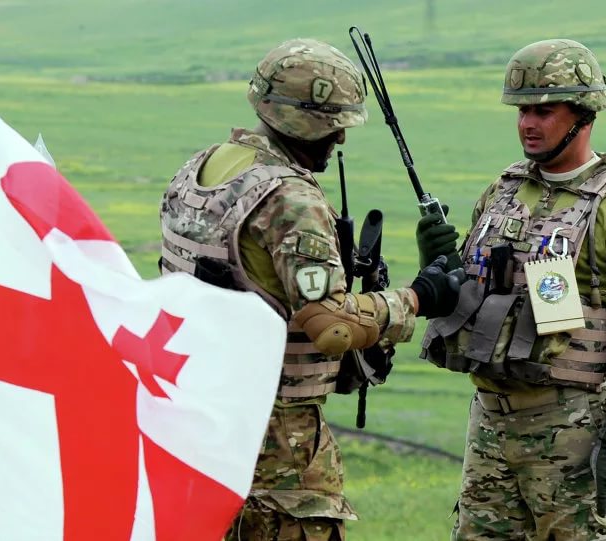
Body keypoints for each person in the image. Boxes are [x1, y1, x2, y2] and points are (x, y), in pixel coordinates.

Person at [159, 38, 461, 541]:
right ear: (302, 121)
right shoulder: (290, 198)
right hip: (277, 438)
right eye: (333, 124)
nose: (340, 138)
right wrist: (418, 297)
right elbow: (333, 328)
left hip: (196, 419)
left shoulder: (201, 169)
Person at [417, 39, 606, 540]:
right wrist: (436, 263)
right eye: (522, 111)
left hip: (574, 432)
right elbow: (475, 299)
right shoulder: (503, 193)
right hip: (490, 428)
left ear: (583, 115)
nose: (528, 124)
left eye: (544, 111)